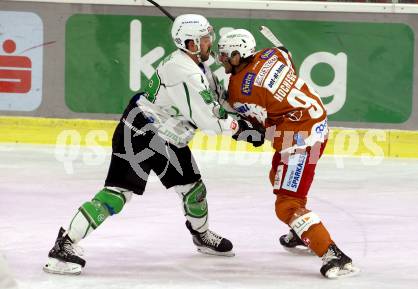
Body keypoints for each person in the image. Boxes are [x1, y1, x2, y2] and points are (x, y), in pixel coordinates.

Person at [43, 15, 262, 275]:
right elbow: (208, 119)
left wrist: (252, 112)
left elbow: (219, 100)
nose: (209, 43)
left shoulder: (198, 66)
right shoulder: (184, 71)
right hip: (140, 132)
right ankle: (65, 242)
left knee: (193, 189)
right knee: (118, 194)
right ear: (191, 44)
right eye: (205, 39)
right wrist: (244, 131)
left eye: (209, 37)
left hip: (169, 136)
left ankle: (200, 235)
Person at [217, 29, 359, 279]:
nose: (222, 60)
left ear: (239, 55)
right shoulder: (270, 54)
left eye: (225, 55)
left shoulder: (242, 92)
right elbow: (286, 54)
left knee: (286, 205)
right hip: (314, 123)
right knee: (277, 176)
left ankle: (333, 254)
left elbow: (257, 133)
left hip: (300, 139)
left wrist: (229, 114)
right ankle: (300, 229)